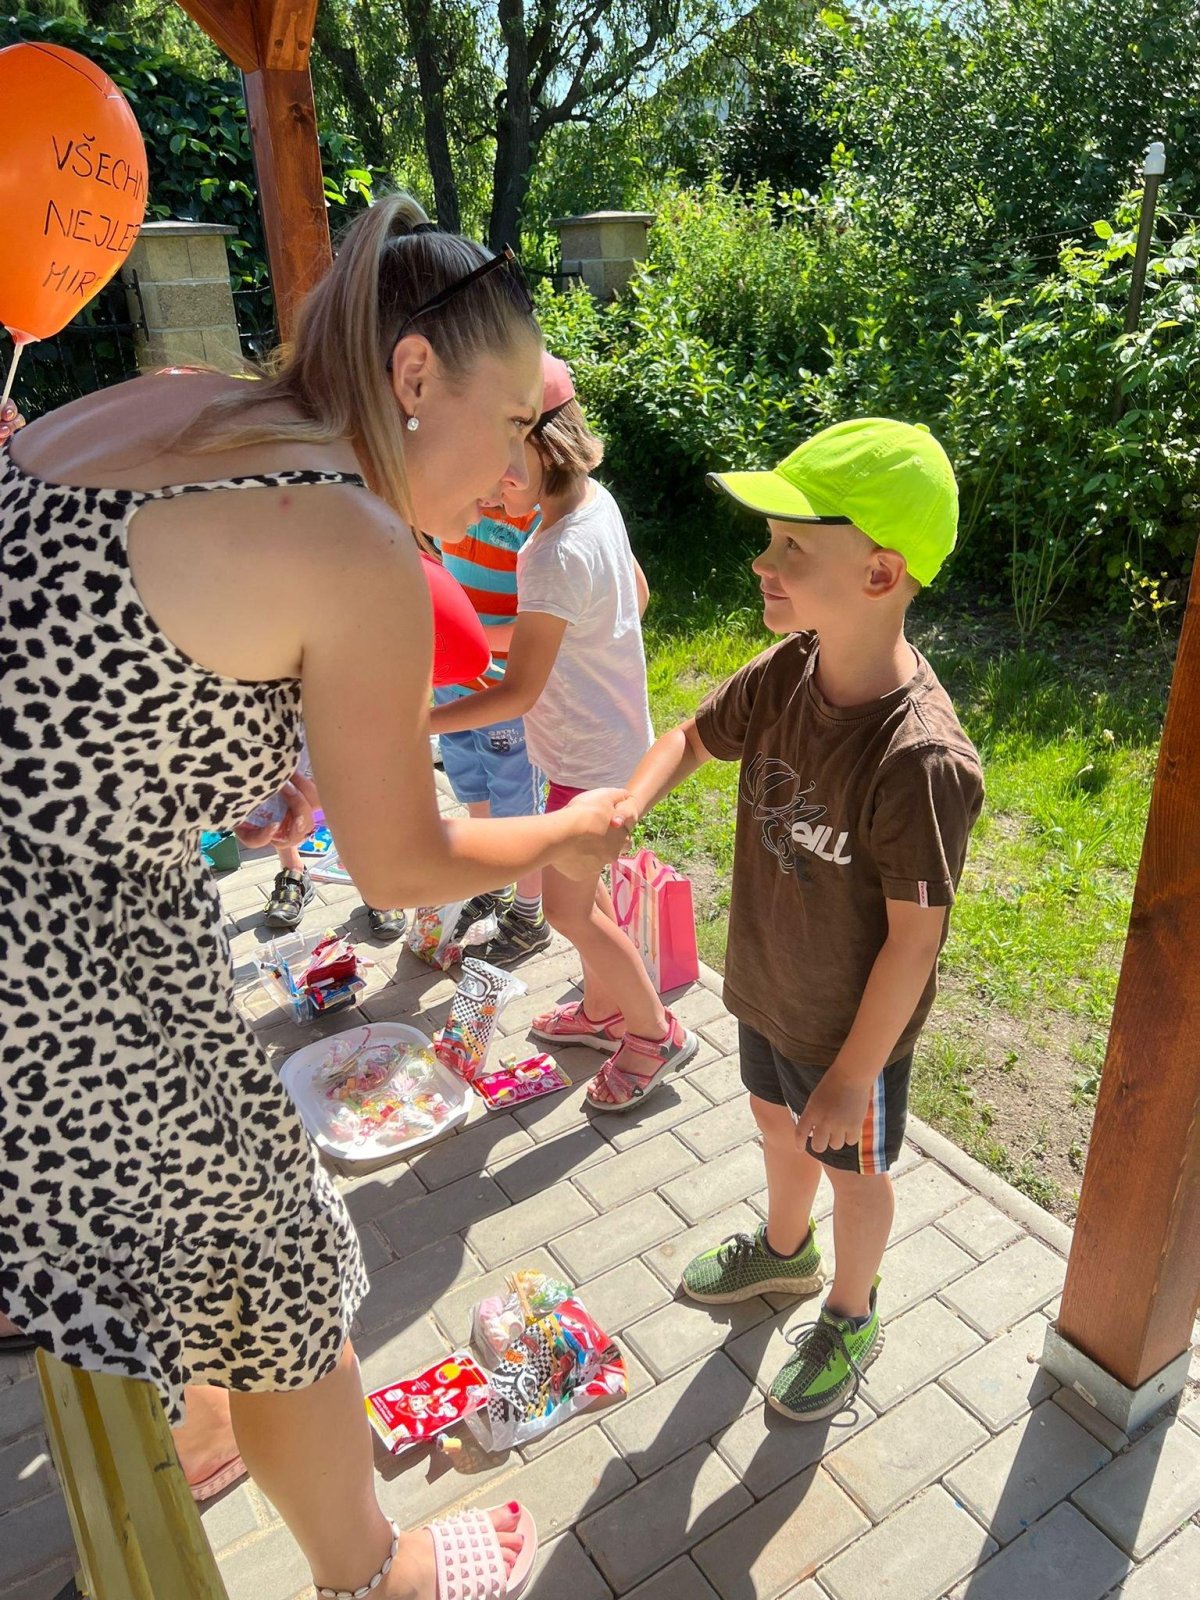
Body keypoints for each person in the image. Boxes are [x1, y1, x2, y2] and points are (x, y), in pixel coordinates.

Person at [0, 196, 632, 1600]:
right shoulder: (354, 540)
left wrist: (217, 775)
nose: (514, 474)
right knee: (287, 1272)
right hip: (61, 975)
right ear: (413, 376)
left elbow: (82, 674)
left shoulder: (176, 401)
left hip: (56, 904)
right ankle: (374, 1572)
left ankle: (206, 1431)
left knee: (197, 1262)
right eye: (509, 423)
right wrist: (566, 828)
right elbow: (400, 866)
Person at [615, 419, 984, 1421]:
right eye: (770, 540)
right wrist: (626, 805)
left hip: (850, 1032)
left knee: (853, 1173)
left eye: (792, 547)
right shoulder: (788, 670)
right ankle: (784, 1252)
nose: (761, 562)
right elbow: (694, 735)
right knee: (775, 1124)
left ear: (880, 573)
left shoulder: (919, 759)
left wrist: (856, 1073)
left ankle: (851, 1311)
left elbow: (915, 939)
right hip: (769, 985)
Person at [429, 355, 697, 1108]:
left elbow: (516, 692)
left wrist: (420, 718)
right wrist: (560, 638)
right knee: (588, 891)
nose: (490, 490)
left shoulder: (549, 554)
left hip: (588, 760)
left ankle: (655, 1033)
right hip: (608, 738)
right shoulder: (596, 503)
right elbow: (636, 594)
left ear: (542, 445)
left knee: (565, 908)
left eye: (501, 469)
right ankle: (603, 1009)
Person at [432, 498, 552, 964]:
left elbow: (540, 625)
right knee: (470, 782)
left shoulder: (535, 518)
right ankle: (493, 879)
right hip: (451, 680)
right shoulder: (452, 499)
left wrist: (468, 642)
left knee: (516, 804)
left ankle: (529, 914)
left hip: (505, 689)